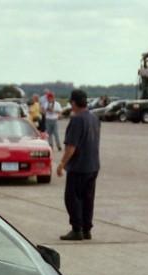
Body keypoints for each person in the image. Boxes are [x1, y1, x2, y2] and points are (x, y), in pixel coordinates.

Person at [56, 89, 100, 241]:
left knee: (72, 198)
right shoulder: (94, 118)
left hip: (79, 166)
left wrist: (62, 163)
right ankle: (87, 229)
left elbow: (71, 146)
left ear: (73, 103)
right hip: (93, 165)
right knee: (88, 198)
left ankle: (76, 229)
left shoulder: (76, 120)